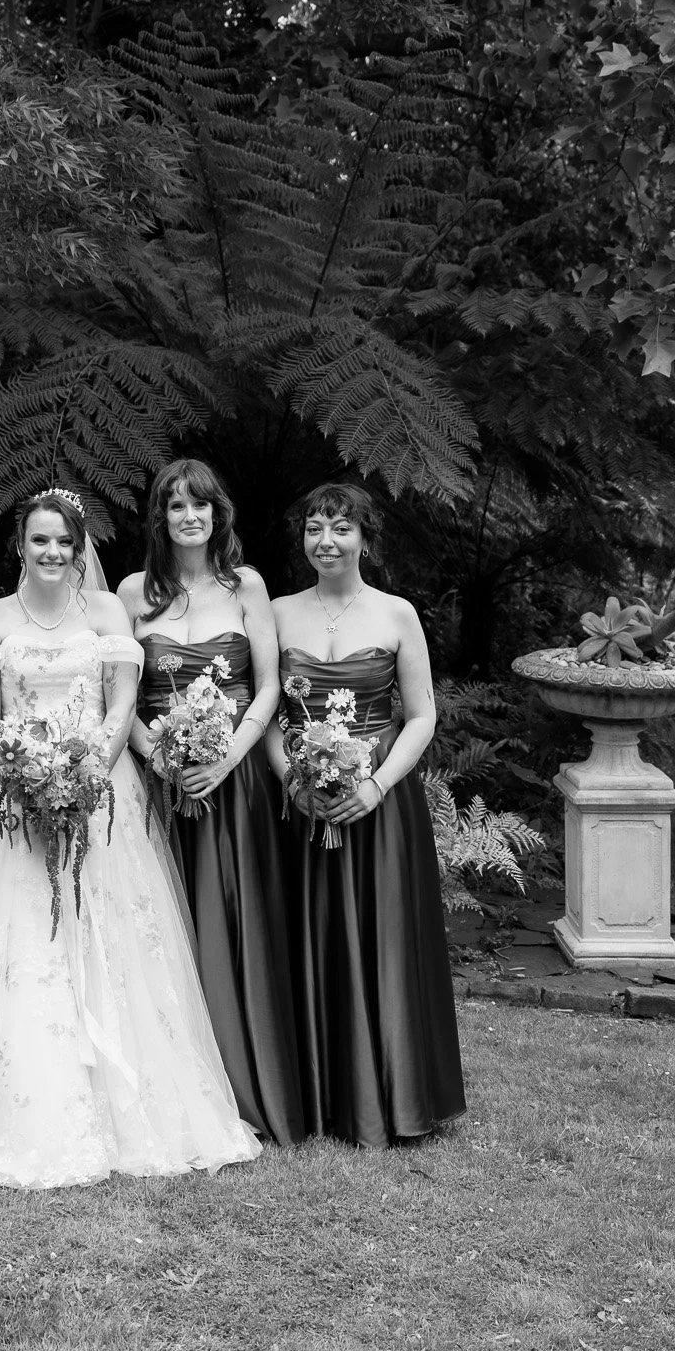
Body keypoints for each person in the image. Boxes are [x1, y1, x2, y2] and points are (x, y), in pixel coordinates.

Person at [0, 486, 260, 1189]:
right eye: (38, 540)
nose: (51, 552)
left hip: (102, 790)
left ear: (79, 549)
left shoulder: (105, 609)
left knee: (116, 935)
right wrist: (27, 774)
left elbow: (122, 697)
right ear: (20, 545)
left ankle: (136, 1106)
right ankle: (16, 1106)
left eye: (63, 542)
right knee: (19, 944)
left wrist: (88, 766)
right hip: (10, 794)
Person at [268, 482, 464, 1148]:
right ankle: (315, 1097)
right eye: (314, 527)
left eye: (340, 528)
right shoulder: (275, 612)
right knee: (306, 933)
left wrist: (376, 784)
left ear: (364, 538)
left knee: (383, 936)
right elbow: (266, 715)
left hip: (378, 803)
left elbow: (421, 716)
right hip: (302, 799)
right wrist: (291, 779)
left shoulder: (396, 614)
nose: (326, 540)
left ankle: (392, 1096)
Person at [119, 460, 303, 1146]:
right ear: (160, 518)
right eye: (174, 506)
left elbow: (267, 687)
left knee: (235, 923)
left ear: (216, 513)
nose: (188, 516)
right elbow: (119, 697)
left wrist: (227, 757)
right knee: (163, 928)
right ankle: (168, 1085)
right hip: (159, 783)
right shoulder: (132, 592)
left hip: (236, 782)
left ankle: (246, 1082)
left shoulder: (245, 586)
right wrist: (156, 753)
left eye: (199, 505)